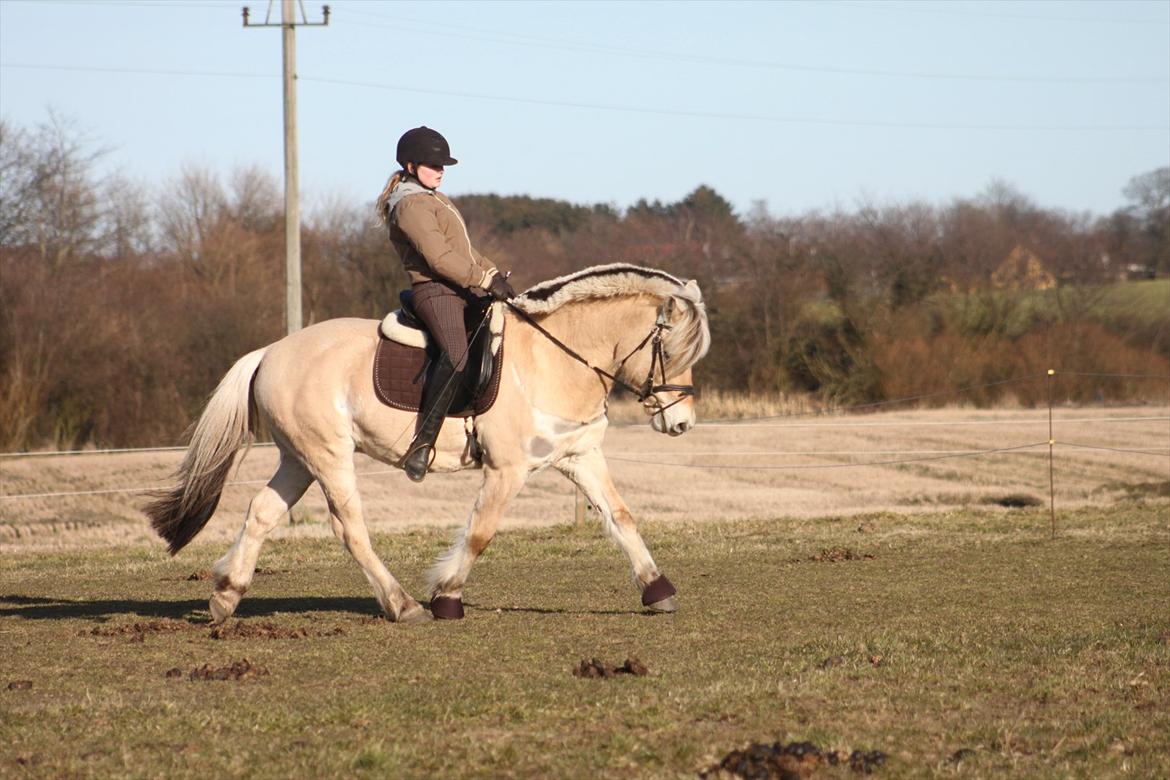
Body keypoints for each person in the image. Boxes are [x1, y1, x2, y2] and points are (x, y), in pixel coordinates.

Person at [376, 126, 517, 482]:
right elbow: (439, 258)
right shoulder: (409, 204)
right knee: (455, 353)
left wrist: (494, 273)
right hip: (435, 291)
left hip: (460, 286)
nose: (441, 170)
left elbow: (465, 253)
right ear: (410, 165)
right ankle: (422, 443)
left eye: (444, 165)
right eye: (433, 164)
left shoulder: (435, 198)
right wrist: (483, 280)